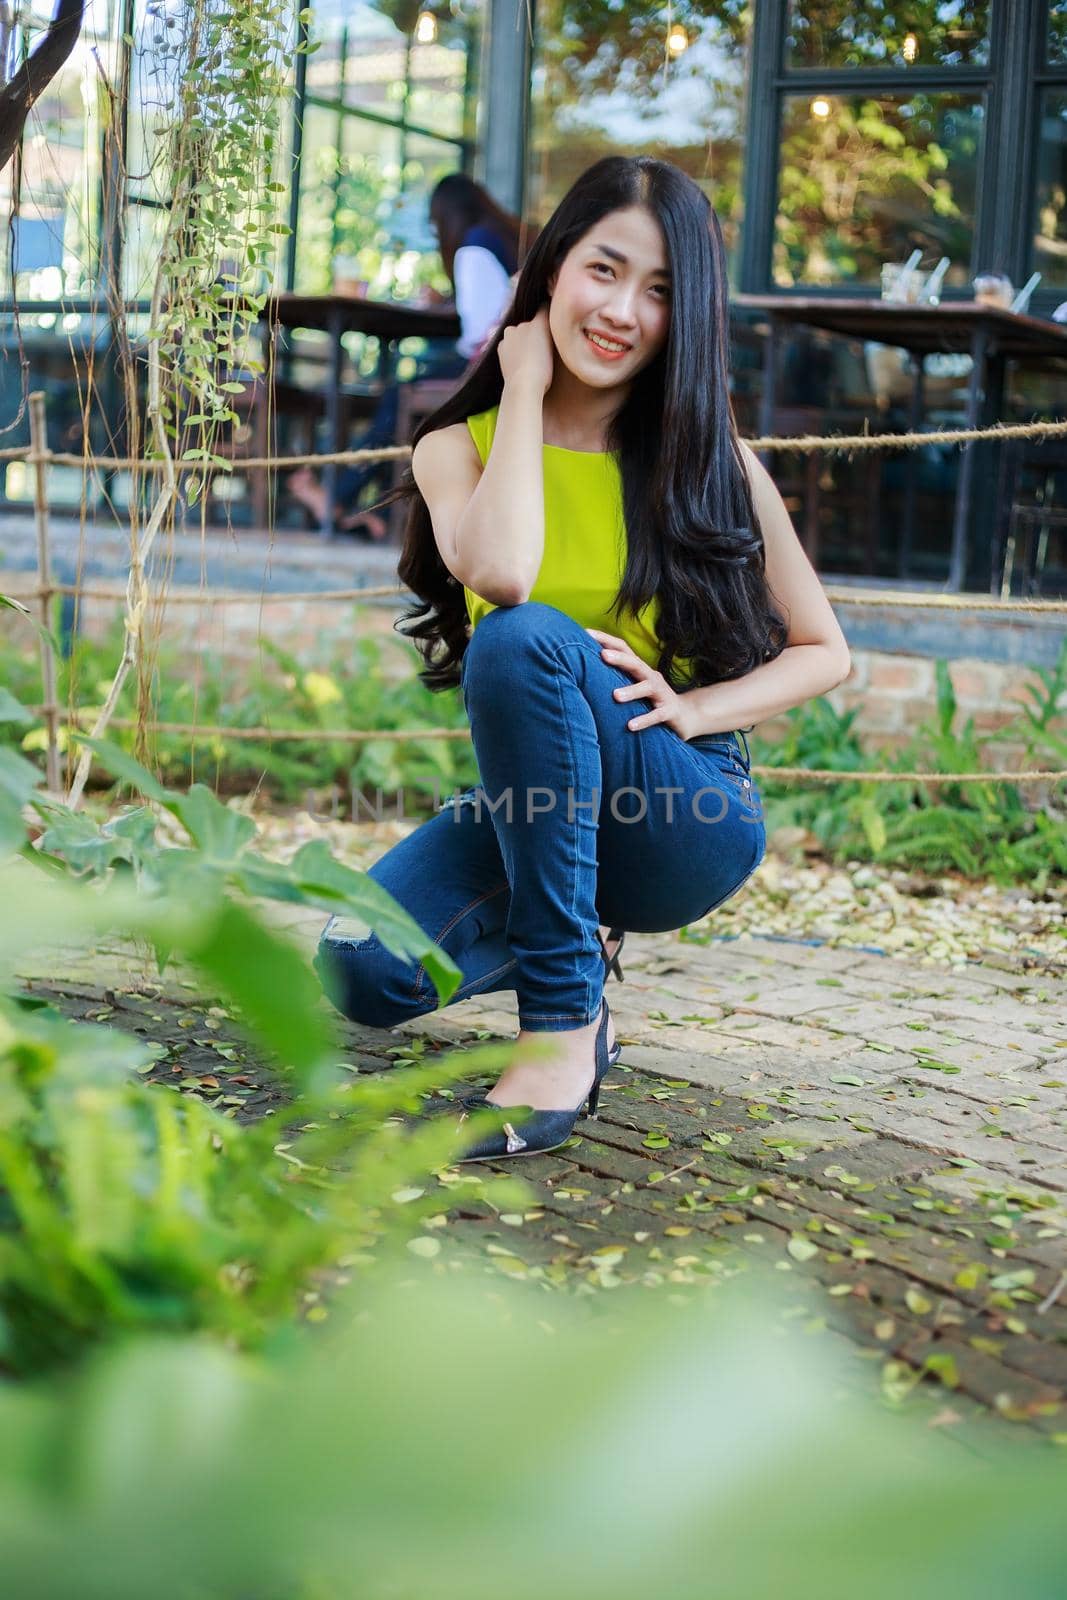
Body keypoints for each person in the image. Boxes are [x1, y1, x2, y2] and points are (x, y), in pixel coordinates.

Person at [314, 156, 851, 1163]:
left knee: (523, 641)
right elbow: (505, 567)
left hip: (678, 810)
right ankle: (576, 947)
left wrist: (695, 713)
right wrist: (521, 388)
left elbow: (824, 653)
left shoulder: (707, 458)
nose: (620, 311)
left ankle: (561, 1024)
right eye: (602, 270)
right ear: (553, 268)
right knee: (359, 968)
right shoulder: (454, 448)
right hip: (535, 811)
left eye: (657, 291)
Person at [287, 173, 522, 538]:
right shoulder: (501, 240)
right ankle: (366, 507)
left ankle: (338, 498)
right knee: (402, 391)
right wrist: (448, 301)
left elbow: (478, 334)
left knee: (399, 395)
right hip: (511, 361)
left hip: (487, 366)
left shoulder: (472, 249)